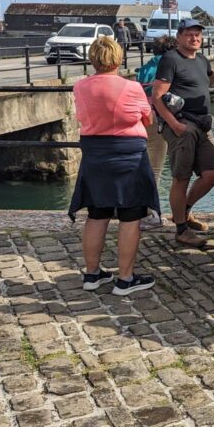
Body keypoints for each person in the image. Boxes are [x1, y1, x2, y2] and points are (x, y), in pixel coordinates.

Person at [68, 37, 159, 296]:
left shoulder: (80, 87)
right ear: (118, 58)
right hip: (128, 154)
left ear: (92, 59)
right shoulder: (131, 87)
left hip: (95, 152)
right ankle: (126, 278)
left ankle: (92, 273)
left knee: (97, 213)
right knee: (130, 215)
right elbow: (147, 118)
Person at [151, 18, 214, 248]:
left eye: (198, 35)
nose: (195, 38)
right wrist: (174, 124)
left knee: (212, 173)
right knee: (181, 177)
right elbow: (157, 96)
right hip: (182, 125)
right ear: (179, 36)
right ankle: (181, 230)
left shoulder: (201, 59)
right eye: (190, 34)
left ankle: (184, 211)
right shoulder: (171, 59)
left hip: (203, 124)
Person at [136, 35, 177, 230]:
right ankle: (151, 212)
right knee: (157, 168)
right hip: (161, 117)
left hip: (144, 118)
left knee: (148, 164)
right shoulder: (169, 65)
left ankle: (145, 208)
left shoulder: (145, 67)